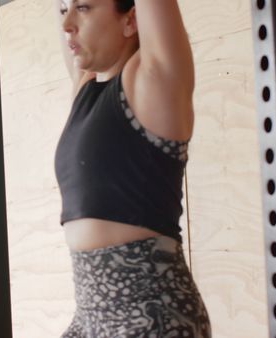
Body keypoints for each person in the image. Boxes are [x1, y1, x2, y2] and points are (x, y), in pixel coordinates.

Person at [53, 0, 211, 336]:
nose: (66, 22)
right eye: (63, 7)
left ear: (131, 19)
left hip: (150, 314)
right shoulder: (85, 87)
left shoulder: (154, 79)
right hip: (89, 315)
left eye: (82, 7)